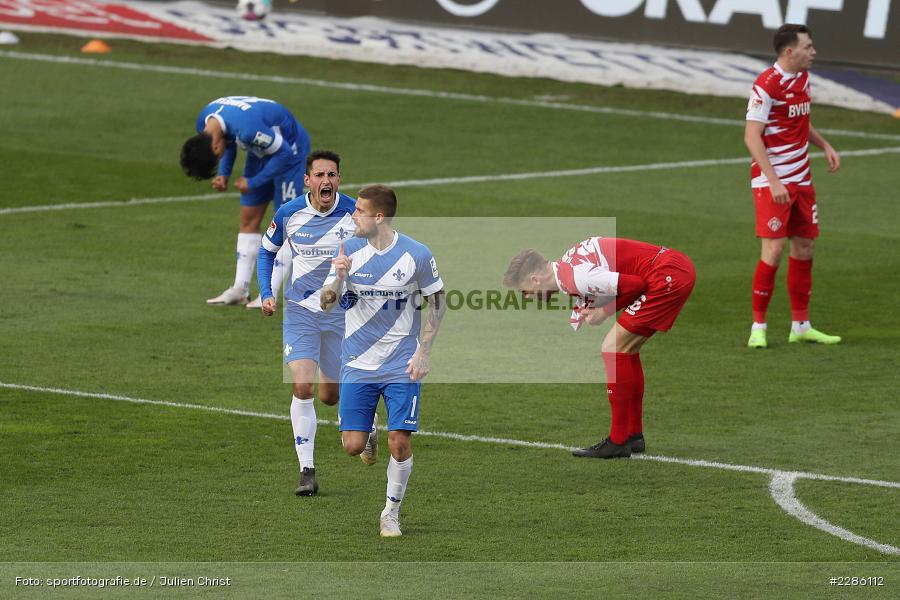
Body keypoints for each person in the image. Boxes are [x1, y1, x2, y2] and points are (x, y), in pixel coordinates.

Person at [321, 184, 446, 537]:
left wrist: (424, 351)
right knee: (353, 446)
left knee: (401, 442)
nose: (352, 216)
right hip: (358, 362)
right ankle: (368, 429)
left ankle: (390, 513)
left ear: (378, 217)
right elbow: (325, 303)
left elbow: (437, 301)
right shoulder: (349, 251)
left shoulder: (416, 255)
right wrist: (339, 277)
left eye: (359, 211)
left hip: (401, 364)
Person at [503, 237, 695, 459]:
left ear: (535, 280)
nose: (526, 297)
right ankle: (633, 436)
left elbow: (635, 286)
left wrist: (603, 313)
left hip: (666, 275)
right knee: (625, 350)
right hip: (672, 268)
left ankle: (618, 441)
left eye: (523, 291)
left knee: (612, 349)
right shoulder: (567, 266)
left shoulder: (573, 276)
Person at [256, 150, 356, 496]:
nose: (326, 181)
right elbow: (267, 251)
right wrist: (266, 292)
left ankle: (366, 420)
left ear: (339, 179)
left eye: (332, 175)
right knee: (303, 388)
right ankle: (306, 471)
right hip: (300, 312)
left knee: (331, 395)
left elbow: (381, 253)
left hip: (341, 314)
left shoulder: (355, 213)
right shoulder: (289, 213)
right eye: (320, 175)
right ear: (307, 180)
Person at [744, 24, 841, 349]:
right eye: (808, 46)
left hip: (802, 180)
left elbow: (800, 121)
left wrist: (824, 144)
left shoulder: (802, 79)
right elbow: (751, 136)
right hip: (772, 182)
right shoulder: (766, 85)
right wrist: (773, 181)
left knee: (805, 247)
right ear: (790, 51)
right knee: (773, 251)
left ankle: (800, 325)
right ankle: (759, 326)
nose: (813, 51)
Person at [180, 96, 311, 307]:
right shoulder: (205, 124)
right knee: (248, 218)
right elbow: (228, 141)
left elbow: (284, 152)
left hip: (290, 152)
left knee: (285, 225)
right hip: (259, 150)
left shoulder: (248, 129)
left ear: (214, 147)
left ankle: (269, 294)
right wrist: (224, 173)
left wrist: (255, 181)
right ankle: (240, 289)